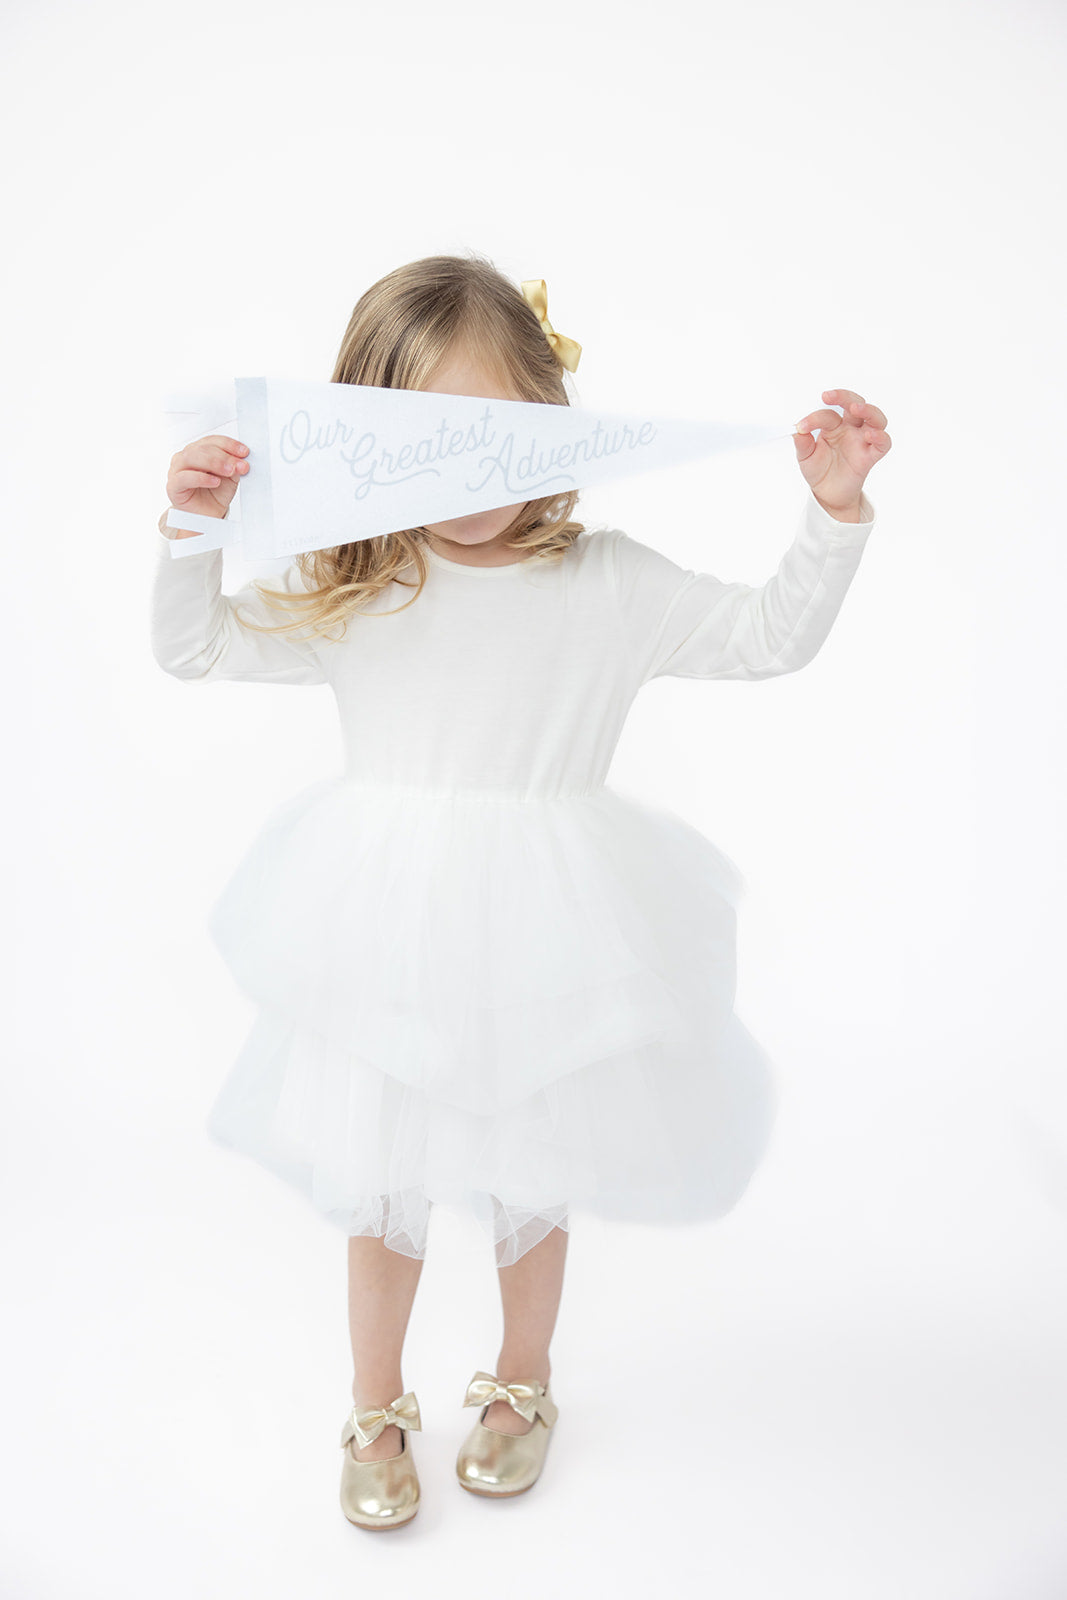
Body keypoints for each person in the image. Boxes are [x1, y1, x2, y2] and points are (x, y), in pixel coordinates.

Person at [150, 253, 891, 1529]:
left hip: (553, 926)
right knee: (381, 1182)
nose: (462, 480)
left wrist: (828, 515)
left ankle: (522, 1373)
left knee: (530, 1166)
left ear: (550, 422)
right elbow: (193, 645)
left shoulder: (603, 583)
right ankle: (375, 1394)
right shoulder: (360, 586)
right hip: (381, 925)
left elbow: (765, 638)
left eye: (491, 437)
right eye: (423, 443)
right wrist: (194, 530)